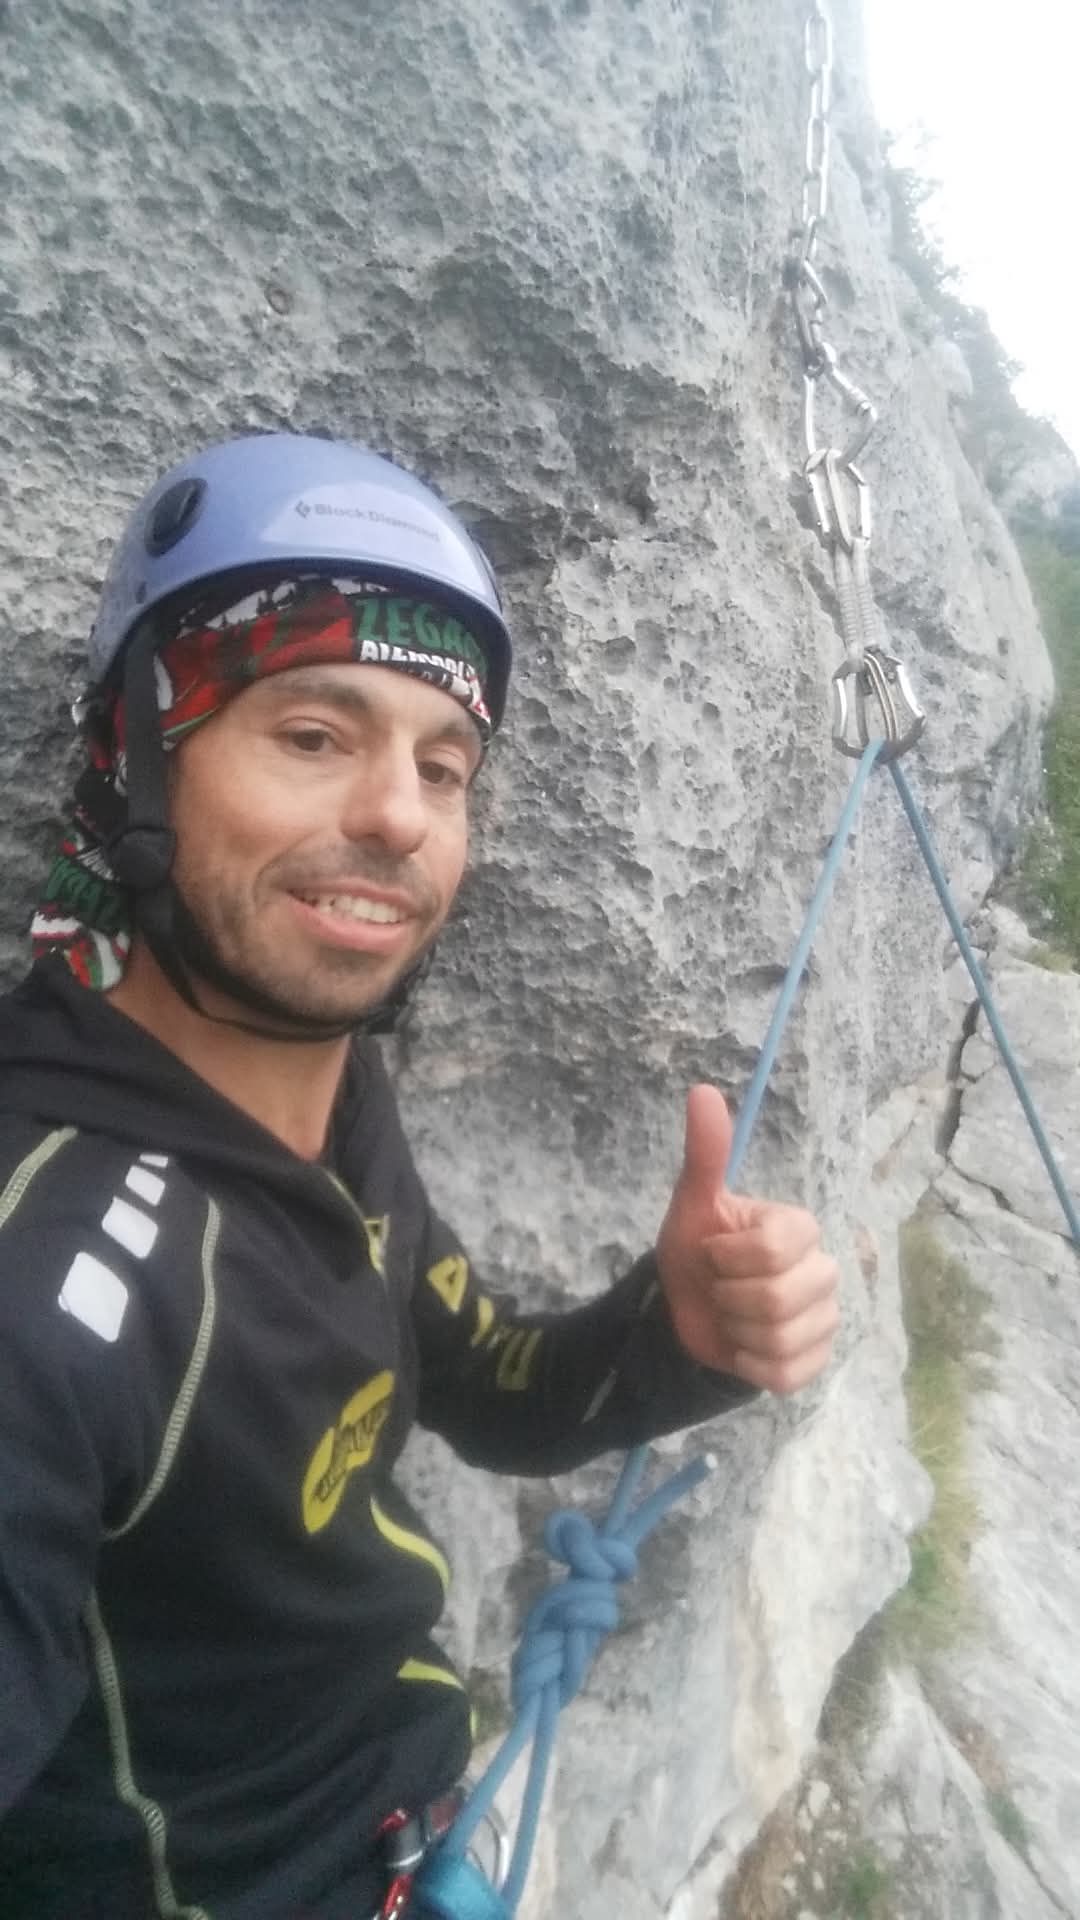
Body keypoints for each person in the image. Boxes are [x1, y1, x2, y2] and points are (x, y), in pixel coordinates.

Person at [0, 433, 840, 1920]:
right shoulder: (48, 1280)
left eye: (442, 766)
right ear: (137, 752)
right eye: (314, 735)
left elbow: (484, 1378)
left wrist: (673, 1339)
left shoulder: (326, 1088)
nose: (400, 815)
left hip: (421, 1831)